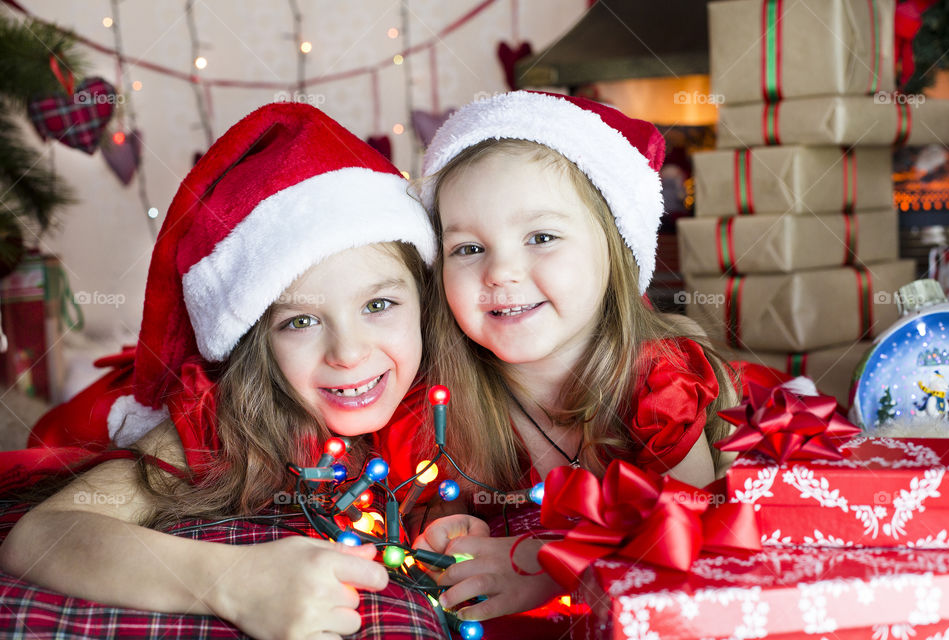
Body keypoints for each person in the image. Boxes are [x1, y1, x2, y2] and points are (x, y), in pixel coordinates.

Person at [0, 102, 444, 640]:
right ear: (256, 339)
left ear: (425, 302)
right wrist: (233, 581)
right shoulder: (223, 424)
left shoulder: (442, 412)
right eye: (301, 320)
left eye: (378, 305)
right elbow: (39, 536)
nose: (348, 353)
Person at [411, 91, 740, 622]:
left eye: (541, 236)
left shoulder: (655, 383)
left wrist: (547, 564)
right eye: (468, 248)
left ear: (616, 252)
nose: (500, 272)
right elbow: (442, 513)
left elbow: (692, 532)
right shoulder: (448, 400)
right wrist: (450, 530)